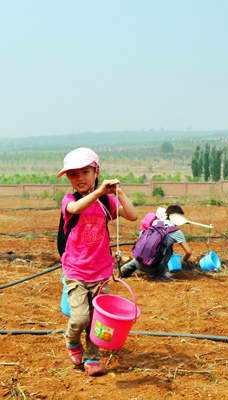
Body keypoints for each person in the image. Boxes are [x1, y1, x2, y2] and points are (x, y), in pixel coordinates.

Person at [57, 147, 138, 376]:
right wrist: (99, 191)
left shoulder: (106, 202)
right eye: (73, 174)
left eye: (85, 172)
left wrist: (118, 193)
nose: (79, 178)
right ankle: (72, 341)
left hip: (102, 271)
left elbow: (132, 215)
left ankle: (92, 358)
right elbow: (76, 208)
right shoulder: (69, 200)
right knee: (81, 317)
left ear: (96, 171)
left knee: (97, 321)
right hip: (76, 270)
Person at [119, 205, 192, 281]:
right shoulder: (176, 232)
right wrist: (185, 259)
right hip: (154, 267)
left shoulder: (155, 223)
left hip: (139, 263)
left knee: (149, 248)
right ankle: (160, 275)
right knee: (167, 248)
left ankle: (127, 268)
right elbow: (188, 252)